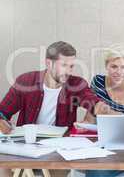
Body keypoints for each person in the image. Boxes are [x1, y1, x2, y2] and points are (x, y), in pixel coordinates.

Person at [0, 41, 104, 176]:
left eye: (71, 66)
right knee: (3, 161)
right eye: (64, 65)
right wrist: (1, 121)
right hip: (27, 146)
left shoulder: (76, 84)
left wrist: (101, 107)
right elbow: (3, 111)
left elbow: (92, 101)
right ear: (49, 63)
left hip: (58, 149)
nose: (68, 71)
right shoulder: (25, 81)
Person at [85, 47, 124, 177]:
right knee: (94, 170)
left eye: (123, 67)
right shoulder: (98, 83)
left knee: (97, 172)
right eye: (114, 67)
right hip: (101, 146)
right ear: (106, 66)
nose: (118, 72)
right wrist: (82, 126)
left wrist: (109, 113)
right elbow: (90, 119)